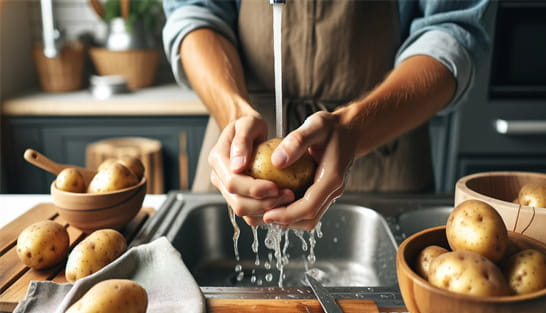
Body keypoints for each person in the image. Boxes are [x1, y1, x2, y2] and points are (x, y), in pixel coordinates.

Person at [163, 0, 490, 230]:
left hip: (384, 140)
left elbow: (451, 32)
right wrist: (233, 112)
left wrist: (357, 127)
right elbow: (195, 13)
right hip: (239, 148)